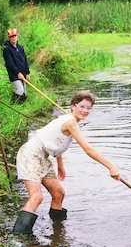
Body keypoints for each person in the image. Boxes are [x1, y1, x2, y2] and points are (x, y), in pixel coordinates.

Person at [12, 91, 121, 234]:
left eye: (88, 108)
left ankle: (57, 231)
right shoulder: (70, 122)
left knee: (58, 193)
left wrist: (60, 166)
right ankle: (19, 236)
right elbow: (88, 149)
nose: (85, 111)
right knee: (37, 196)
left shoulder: (71, 121)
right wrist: (111, 166)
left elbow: (56, 142)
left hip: (43, 156)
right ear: (73, 106)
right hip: (31, 154)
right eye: (82, 106)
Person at [3, 28, 30, 104]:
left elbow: (25, 60)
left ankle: (20, 106)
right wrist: (17, 73)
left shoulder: (21, 48)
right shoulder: (7, 49)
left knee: (24, 92)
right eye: (12, 37)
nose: (14, 38)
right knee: (20, 90)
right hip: (14, 73)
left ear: (17, 37)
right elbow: (9, 63)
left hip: (23, 72)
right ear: (9, 38)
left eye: (15, 36)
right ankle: (12, 104)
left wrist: (27, 73)